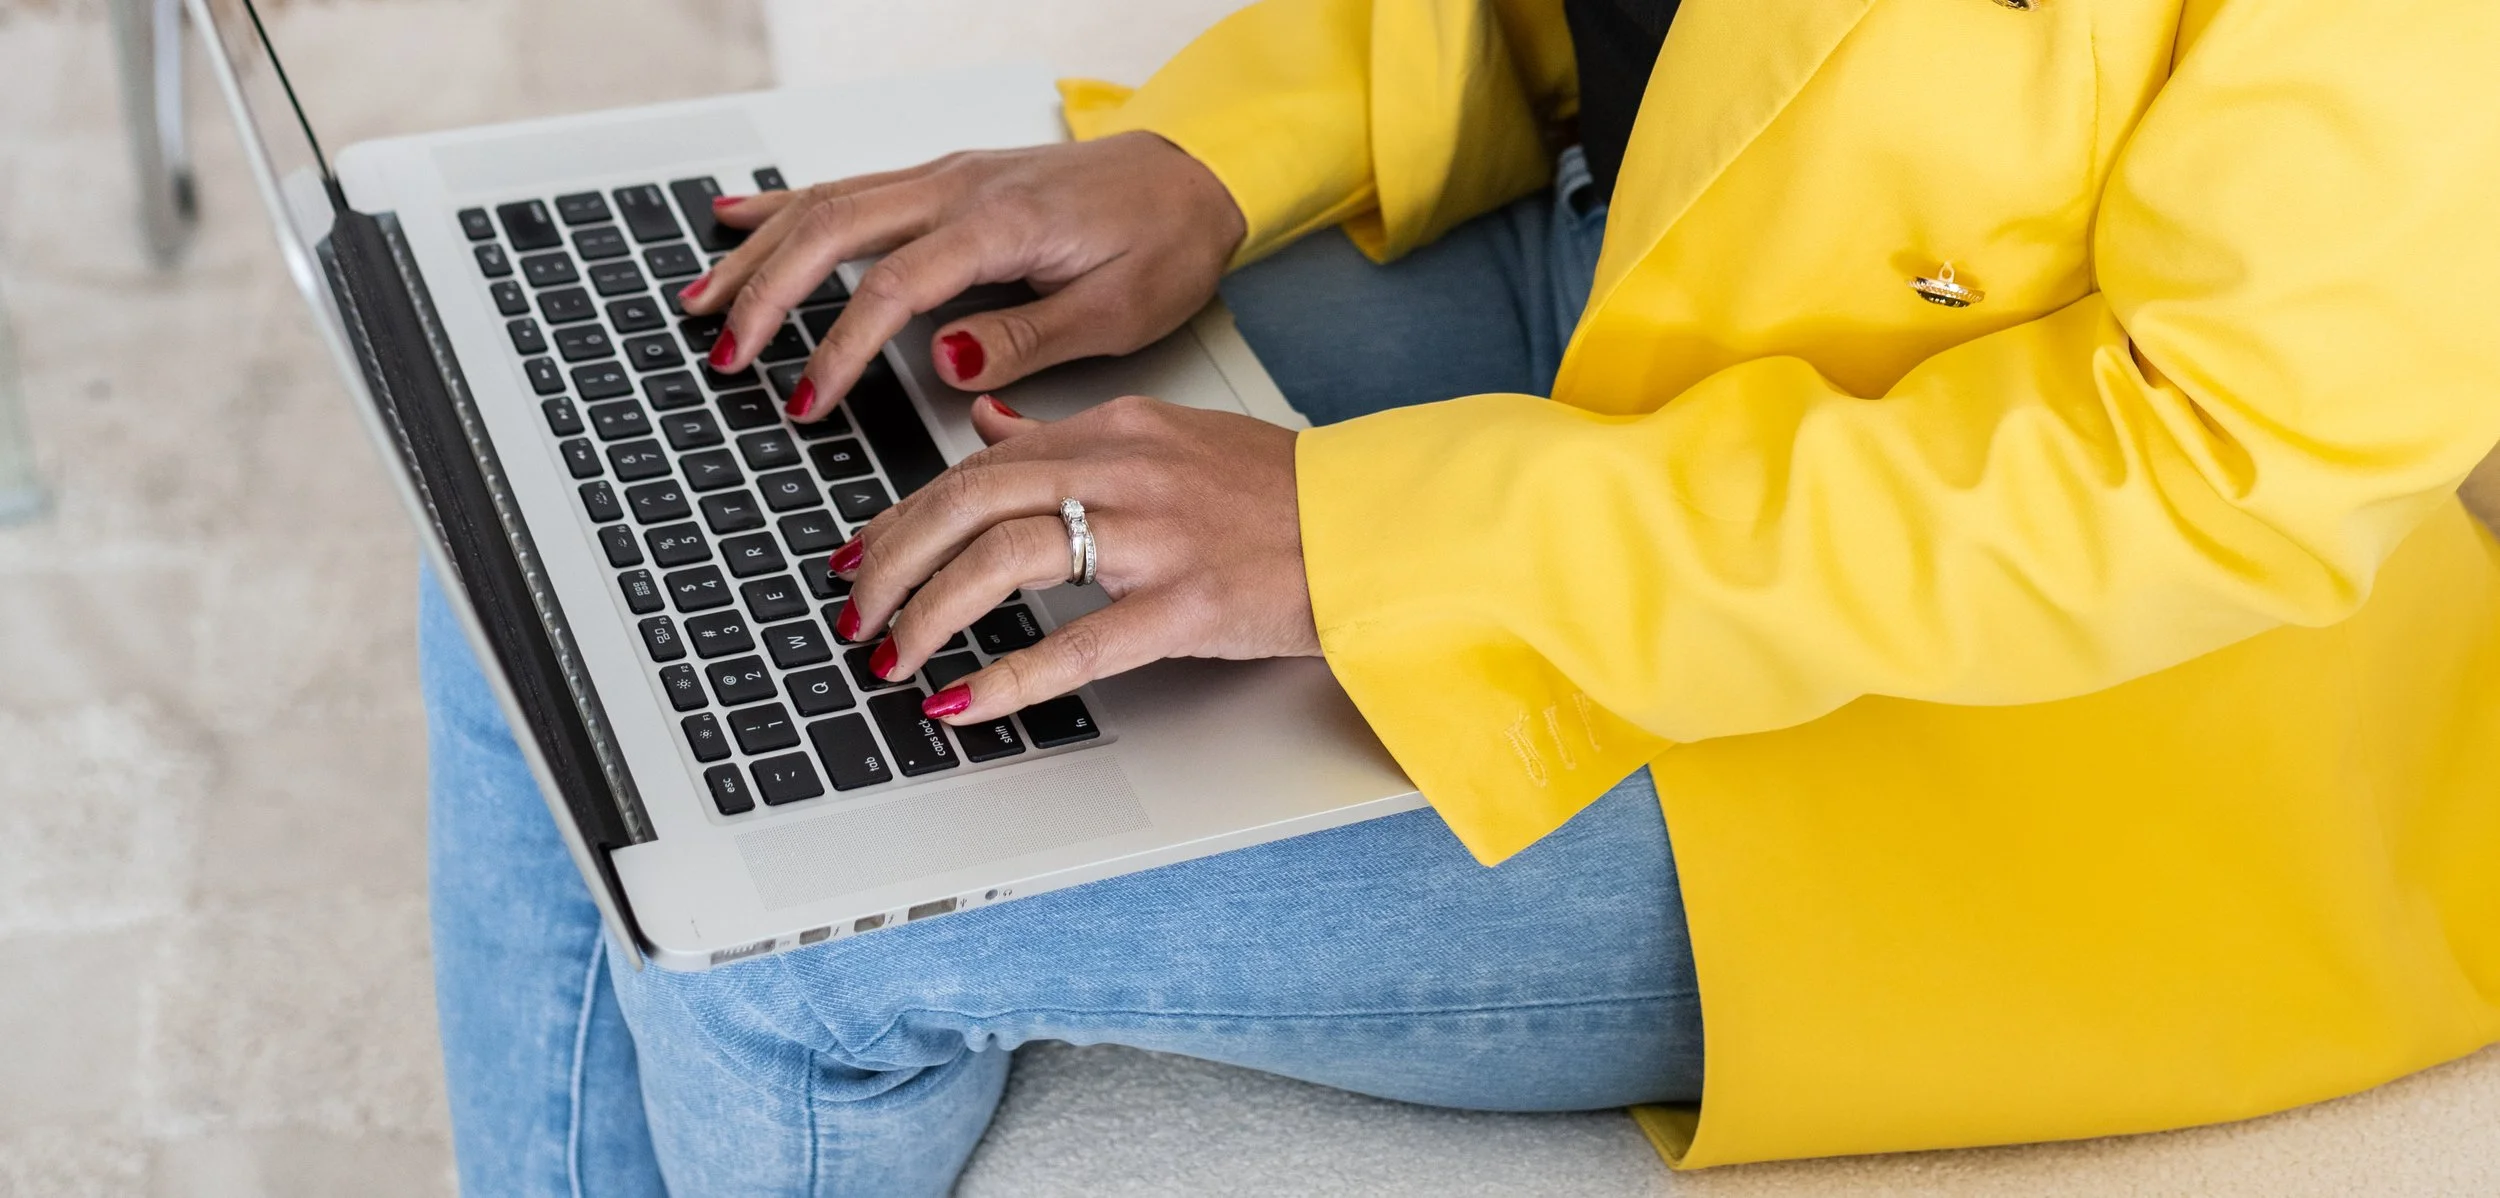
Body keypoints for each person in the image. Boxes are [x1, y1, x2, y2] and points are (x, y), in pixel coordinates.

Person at [425, 0, 2500, 1192]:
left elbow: (2216, 466)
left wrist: (1371, 539)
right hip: (1617, 273)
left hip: (2017, 732)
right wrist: (1208, 157)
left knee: (789, 927)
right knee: (539, 527)